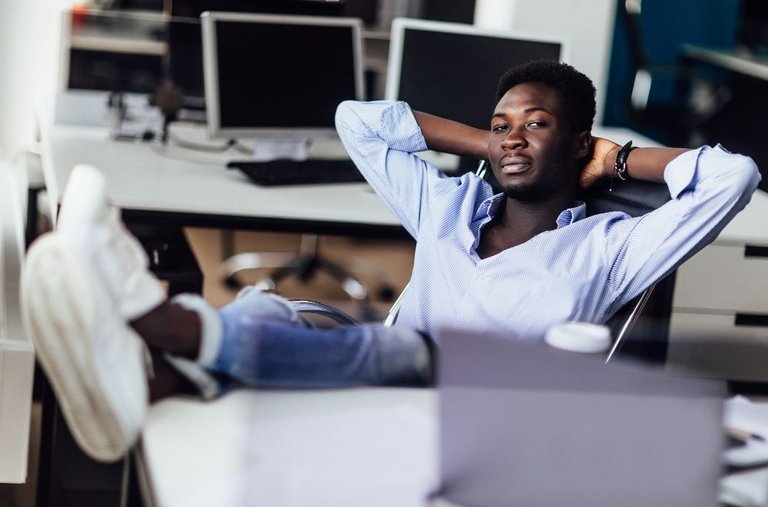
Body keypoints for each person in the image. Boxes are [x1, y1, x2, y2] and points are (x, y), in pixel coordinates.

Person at [22, 61, 759, 462]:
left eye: (537, 126)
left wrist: (619, 158)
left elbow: (735, 177)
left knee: (400, 342)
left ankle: (152, 320)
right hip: (379, 357)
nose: (513, 138)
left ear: (577, 144)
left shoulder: (610, 248)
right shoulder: (447, 205)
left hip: (465, 403)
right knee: (278, 306)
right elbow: (359, 121)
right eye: (502, 124)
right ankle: (146, 376)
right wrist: (488, 142)